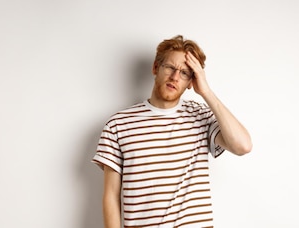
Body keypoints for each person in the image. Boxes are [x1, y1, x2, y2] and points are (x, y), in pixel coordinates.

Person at [91, 35, 252, 228]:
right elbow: (110, 195)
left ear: (192, 81)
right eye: (170, 67)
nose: (175, 77)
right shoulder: (118, 124)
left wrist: (206, 92)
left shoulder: (200, 115)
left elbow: (243, 145)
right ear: (155, 68)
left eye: (185, 73)